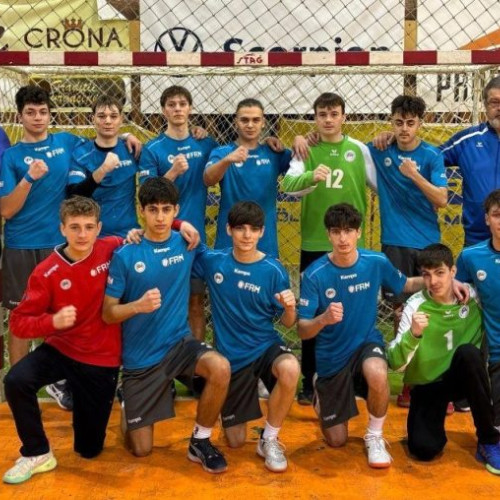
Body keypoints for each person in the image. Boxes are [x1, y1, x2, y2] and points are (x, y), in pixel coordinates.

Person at [0, 85, 140, 410]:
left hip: (60, 247)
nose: (37, 117)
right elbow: (6, 210)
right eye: (30, 112)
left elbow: (103, 137)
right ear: (20, 116)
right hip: (22, 245)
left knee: (62, 318)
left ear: (51, 115)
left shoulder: (67, 142)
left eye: (43, 111)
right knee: (21, 316)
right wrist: (28, 179)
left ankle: (59, 381)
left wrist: (129, 136)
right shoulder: (11, 156)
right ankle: (19, 388)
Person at [102, 177, 231, 474]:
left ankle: (200, 440)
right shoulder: (125, 254)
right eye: (153, 210)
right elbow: (108, 313)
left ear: (176, 210)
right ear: (142, 211)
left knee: (220, 368)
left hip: (178, 345)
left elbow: (223, 260)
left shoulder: (187, 243)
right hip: (141, 358)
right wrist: (137, 306)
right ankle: (128, 402)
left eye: (166, 210)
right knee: (140, 449)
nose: (160, 217)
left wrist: (183, 226)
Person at [297, 203, 432, 469]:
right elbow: (302, 329)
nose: (343, 238)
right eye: (336, 232)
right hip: (332, 355)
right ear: (328, 234)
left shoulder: (375, 262)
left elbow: (406, 283)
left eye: (349, 231)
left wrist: (443, 281)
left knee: (378, 372)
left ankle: (375, 436)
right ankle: (320, 391)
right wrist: (323, 319)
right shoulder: (315, 274)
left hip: (365, 343)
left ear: (358, 232)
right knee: (336, 441)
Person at [2, 197, 122, 484]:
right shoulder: (47, 271)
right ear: (62, 229)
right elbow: (18, 322)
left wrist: (181, 225)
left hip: (101, 359)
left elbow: (150, 233)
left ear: (99, 228)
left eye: (89, 227)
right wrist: (51, 322)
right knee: (16, 380)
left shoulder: (111, 247)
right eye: (75, 227)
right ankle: (37, 452)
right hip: (62, 349)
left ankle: (93, 404)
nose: (82, 234)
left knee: (89, 450)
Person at [282, 92, 377, 406]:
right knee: (313, 315)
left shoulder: (359, 149)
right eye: (322, 114)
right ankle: (310, 382)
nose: (328, 119)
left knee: (353, 314)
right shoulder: (305, 149)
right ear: (315, 118)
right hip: (315, 244)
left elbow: (381, 184)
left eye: (334, 114)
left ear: (344, 117)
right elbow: (288, 187)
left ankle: (356, 379)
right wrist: (311, 176)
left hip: (351, 248)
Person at [192, 201, 299, 472]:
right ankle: (239, 399)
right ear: (229, 230)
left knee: (290, 368)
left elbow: (288, 322)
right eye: (240, 228)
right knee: (236, 441)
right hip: (232, 360)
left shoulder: (273, 270)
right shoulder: (214, 261)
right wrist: (178, 225)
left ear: (262, 232)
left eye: (253, 229)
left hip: (264, 347)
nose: (247, 235)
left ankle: (269, 439)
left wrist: (290, 308)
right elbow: (185, 240)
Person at [387, 243, 500, 474]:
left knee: (469, 354)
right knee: (424, 449)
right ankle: (428, 427)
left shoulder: (472, 297)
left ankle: (488, 440)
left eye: (440, 273)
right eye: (427, 275)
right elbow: (395, 364)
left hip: (461, 379)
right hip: (428, 385)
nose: (433, 281)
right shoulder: (415, 306)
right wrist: (413, 335)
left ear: (453, 272)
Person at [367, 95, 448, 408]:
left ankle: (431, 384)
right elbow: (345, 145)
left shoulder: (431, 155)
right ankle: (407, 384)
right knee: (401, 314)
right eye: (398, 122)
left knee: (431, 312)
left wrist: (413, 174)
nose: (404, 129)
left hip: (427, 242)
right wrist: (307, 137)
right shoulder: (381, 148)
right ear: (391, 121)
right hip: (395, 242)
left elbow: (442, 199)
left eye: (410, 123)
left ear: (420, 123)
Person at [138, 85, 218, 341]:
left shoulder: (205, 143)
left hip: (195, 238)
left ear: (190, 108)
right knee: (160, 303)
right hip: (162, 236)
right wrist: (172, 173)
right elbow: (146, 194)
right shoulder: (153, 148)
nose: (177, 109)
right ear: (163, 110)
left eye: (182, 104)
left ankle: (196, 360)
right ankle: (161, 360)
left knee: (195, 302)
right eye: (171, 105)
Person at [204, 98, 292, 258]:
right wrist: (226, 161)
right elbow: (208, 179)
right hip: (229, 240)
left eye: (255, 120)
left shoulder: (274, 153)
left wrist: (299, 140)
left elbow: (303, 165)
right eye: (244, 120)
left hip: (265, 241)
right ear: (235, 122)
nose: (250, 125)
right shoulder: (223, 152)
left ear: (263, 123)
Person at [456, 188, 500, 431]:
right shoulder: (470, 257)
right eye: (497, 215)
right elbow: (454, 292)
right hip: (497, 353)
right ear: (486, 219)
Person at [67, 95, 140, 238]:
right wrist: (103, 170)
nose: (108, 121)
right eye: (101, 116)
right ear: (92, 119)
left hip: (129, 235)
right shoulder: (81, 153)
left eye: (113, 116)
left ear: (121, 119)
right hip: (93, 236)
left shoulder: (133, 149)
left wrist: (126, 135)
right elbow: (73, 196)